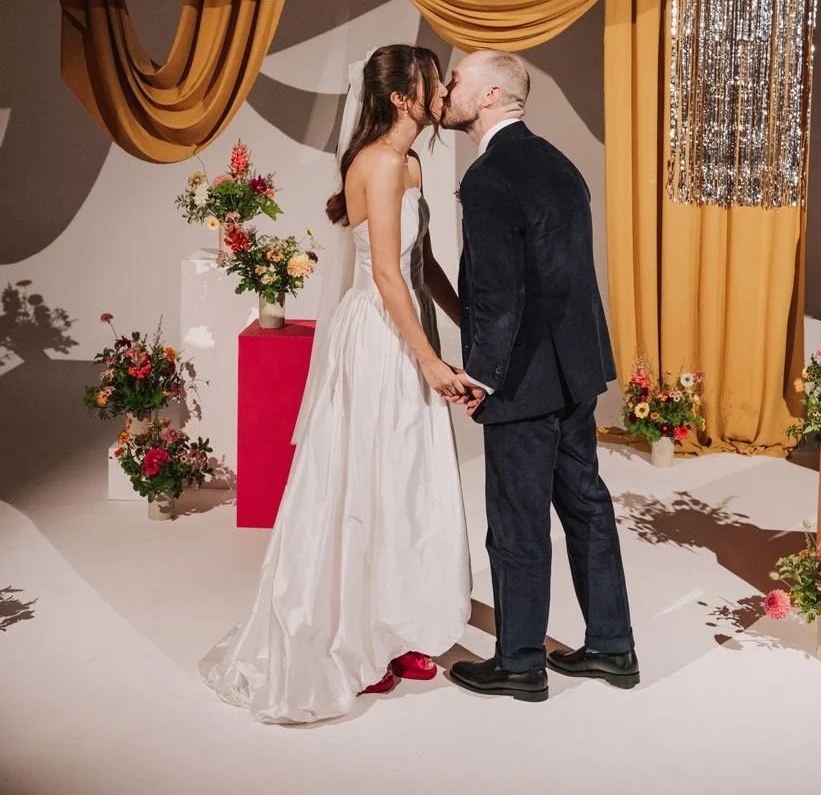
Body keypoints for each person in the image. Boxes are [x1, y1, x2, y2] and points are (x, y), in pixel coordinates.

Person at [200, 45, 471, 723]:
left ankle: (392, 623)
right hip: (381, 338)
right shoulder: (378, 163)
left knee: (402, 483)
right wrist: (430, 363)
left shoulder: (409, 164)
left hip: (404, 327)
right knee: (366, 481)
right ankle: (351, 639)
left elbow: (421, 262)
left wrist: (466, 324)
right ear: (405, 97)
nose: (443, 92)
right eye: (434, 83)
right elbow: (384, 274)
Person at [441, 50, 637, 703]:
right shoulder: (554, 162)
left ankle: (520, 662)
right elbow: (564, 280)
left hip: (522, 383)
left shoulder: (492, 177)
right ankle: (613, 648)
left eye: (457, 80)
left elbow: (500, 292)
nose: (446, 89)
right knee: (586, 508)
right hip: (575, 371)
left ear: (491, 94)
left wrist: (481, 378)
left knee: (516, 524)